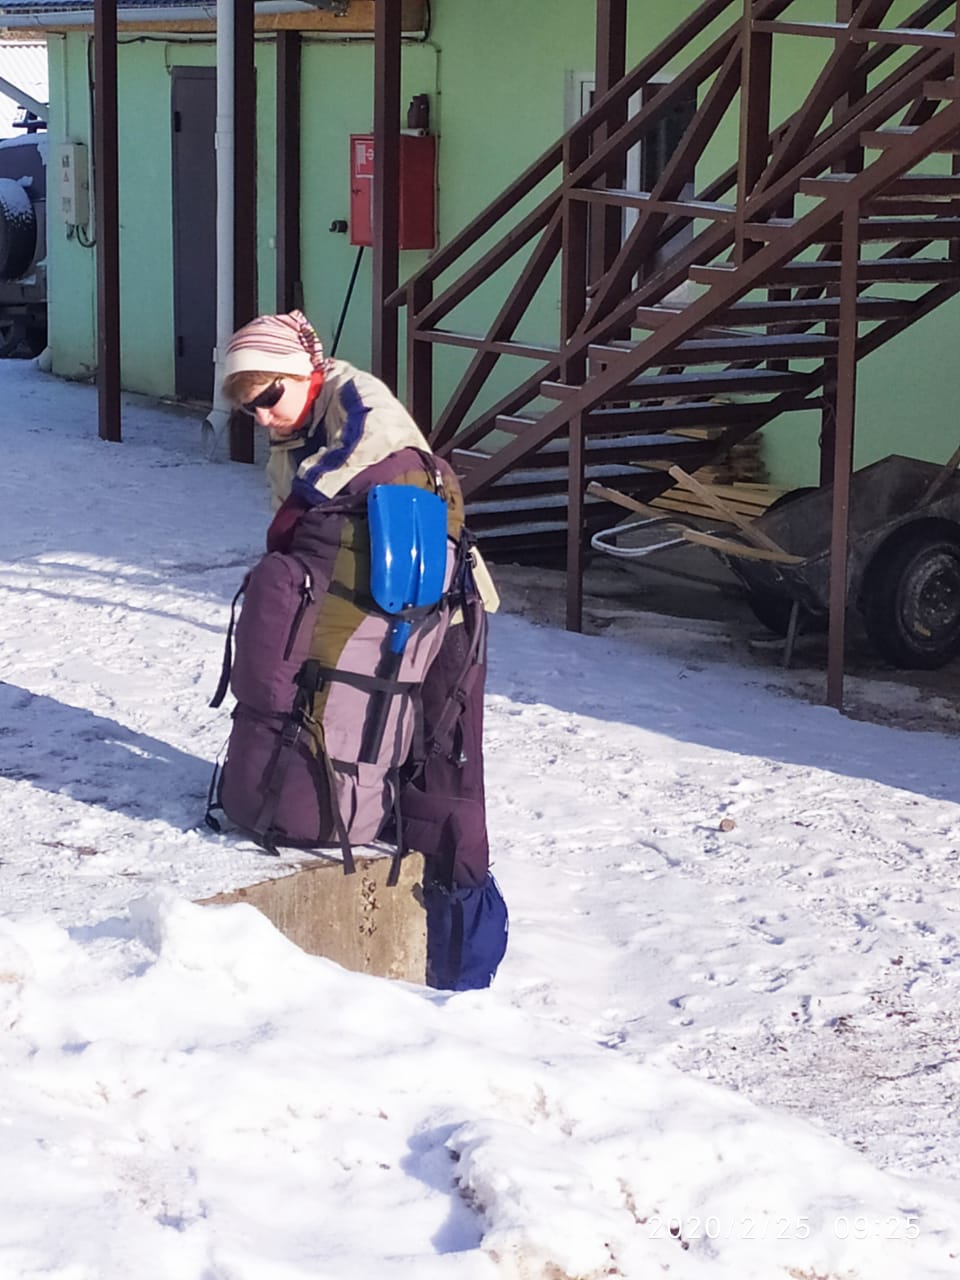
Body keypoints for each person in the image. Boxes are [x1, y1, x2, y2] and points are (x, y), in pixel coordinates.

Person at [220, 310, 507, 990]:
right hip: (379, 607)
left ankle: (462, 961)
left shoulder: (354, 396)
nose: (261, 416)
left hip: (446, 611)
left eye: (269, 396)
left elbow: (356, 455)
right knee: (376, 740)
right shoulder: (293, 432)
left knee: (446, 770)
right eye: (247, 407)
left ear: (305, 372)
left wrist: (298, 517)